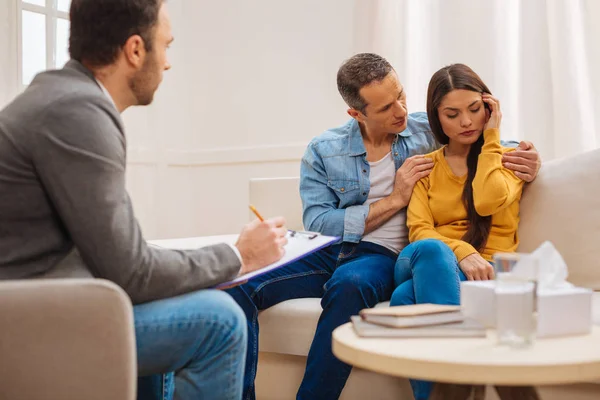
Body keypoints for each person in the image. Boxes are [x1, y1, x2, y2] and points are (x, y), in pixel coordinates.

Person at [0, 1, 288, 399]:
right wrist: (241, 256)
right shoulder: (78, 111)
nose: (168, 63)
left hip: (41, 298)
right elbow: (131, 274)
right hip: (25, 317)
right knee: (220, 321)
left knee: (178, 299)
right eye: (166, 46)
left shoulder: (65, 97)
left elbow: (120, 259)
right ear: (135, 50)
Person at [226, 53, 541, 400]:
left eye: (401, 96)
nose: (401, 111)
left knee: (352, 285)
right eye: (386, 107)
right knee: (239, 286)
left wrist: (528, 154)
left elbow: (473, 135)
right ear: (356, 114)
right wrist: (394, 199)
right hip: (329, 248)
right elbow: (319, 222)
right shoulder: (325, 149)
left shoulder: (423, 128)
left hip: (384, 255)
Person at [389, 63, 527, 400]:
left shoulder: (509, 161)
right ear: (438, 119)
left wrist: (492, 137)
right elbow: (419, 231)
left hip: (489, 272)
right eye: (452, 114)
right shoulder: (425, 168)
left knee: (404, 299)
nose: (466, 121)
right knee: (436, 252)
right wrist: (464, 252)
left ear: (489, 108)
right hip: (425, 258)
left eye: (475, 109)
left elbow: (487, 201)